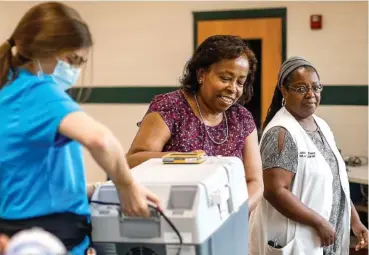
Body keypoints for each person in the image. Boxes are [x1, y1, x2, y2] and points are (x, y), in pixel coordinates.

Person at [0, 2, 160, 255]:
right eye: (72, 60)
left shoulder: (7, 88)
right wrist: (126, 186)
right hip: (52, 239)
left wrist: (92, 189)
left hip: (17, 236)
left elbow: (23, 175)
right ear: (44, 50)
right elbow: (100, 140)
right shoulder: (40, 92)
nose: (75, 71)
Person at [126, 35, 264, 213]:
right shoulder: (171, 107)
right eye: (225, 78)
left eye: (240, 82)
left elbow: (255, 181)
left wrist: (235, 213)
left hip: (227, 218)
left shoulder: (242, 118)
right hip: (172, 215)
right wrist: (184, 160)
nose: (232, 88)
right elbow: (133, 160)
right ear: (201, 74)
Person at [249, 56, 368, 255]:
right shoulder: (281, 132)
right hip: (299, 239)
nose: (311, 94)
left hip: (327, 236)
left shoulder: (321, 126)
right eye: (301, 88)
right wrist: (319, 222)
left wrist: (355, 221)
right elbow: (274, 190)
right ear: (284, 91)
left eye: (316, 87)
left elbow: (336, 181)